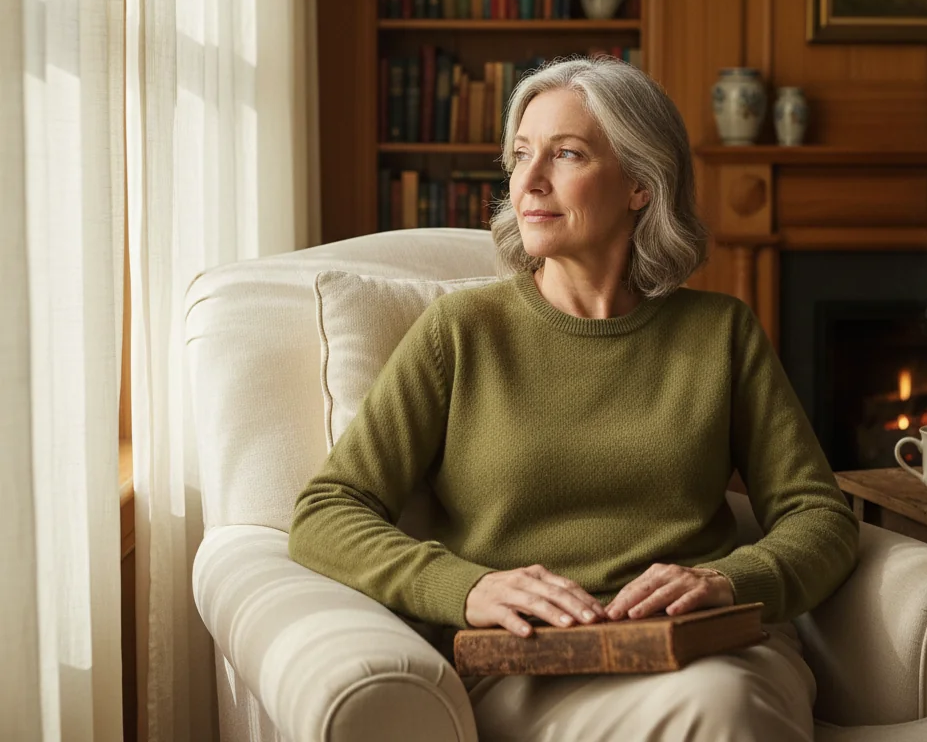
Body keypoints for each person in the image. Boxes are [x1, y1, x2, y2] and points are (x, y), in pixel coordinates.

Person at [289, 55, 859, 741]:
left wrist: (734, 581)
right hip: (528, 668)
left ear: (641, 184)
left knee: (724, 705)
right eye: (520, 155)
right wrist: (465, 587)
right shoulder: (461, 333)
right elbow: (326, 511)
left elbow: (819, 516)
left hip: (706, 653)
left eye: (565, 154)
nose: (527, 183)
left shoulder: (720, 333)